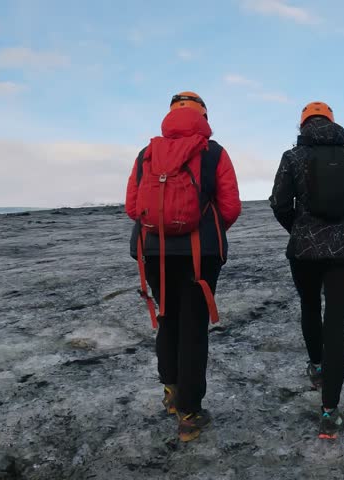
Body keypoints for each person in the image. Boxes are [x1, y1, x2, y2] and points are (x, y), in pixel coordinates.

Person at [125, 91, 241, 442]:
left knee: (168, 317)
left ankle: (172, 392)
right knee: (194, 328)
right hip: (199, 255)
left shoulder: (147, 153)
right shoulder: (214, 152)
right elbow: (231, 206)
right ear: (204, 117)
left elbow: (133, 207)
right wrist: (204, 228)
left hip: (154, 252)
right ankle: (190, 413)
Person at [269, 101, 344, 439]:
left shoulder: (292, 158)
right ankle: (329, 412)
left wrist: (299, 231)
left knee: (310, 306)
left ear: (303, 126)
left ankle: (317, 367)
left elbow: (279, 203)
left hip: (304, 252)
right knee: (336, 325)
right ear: (333, 124)